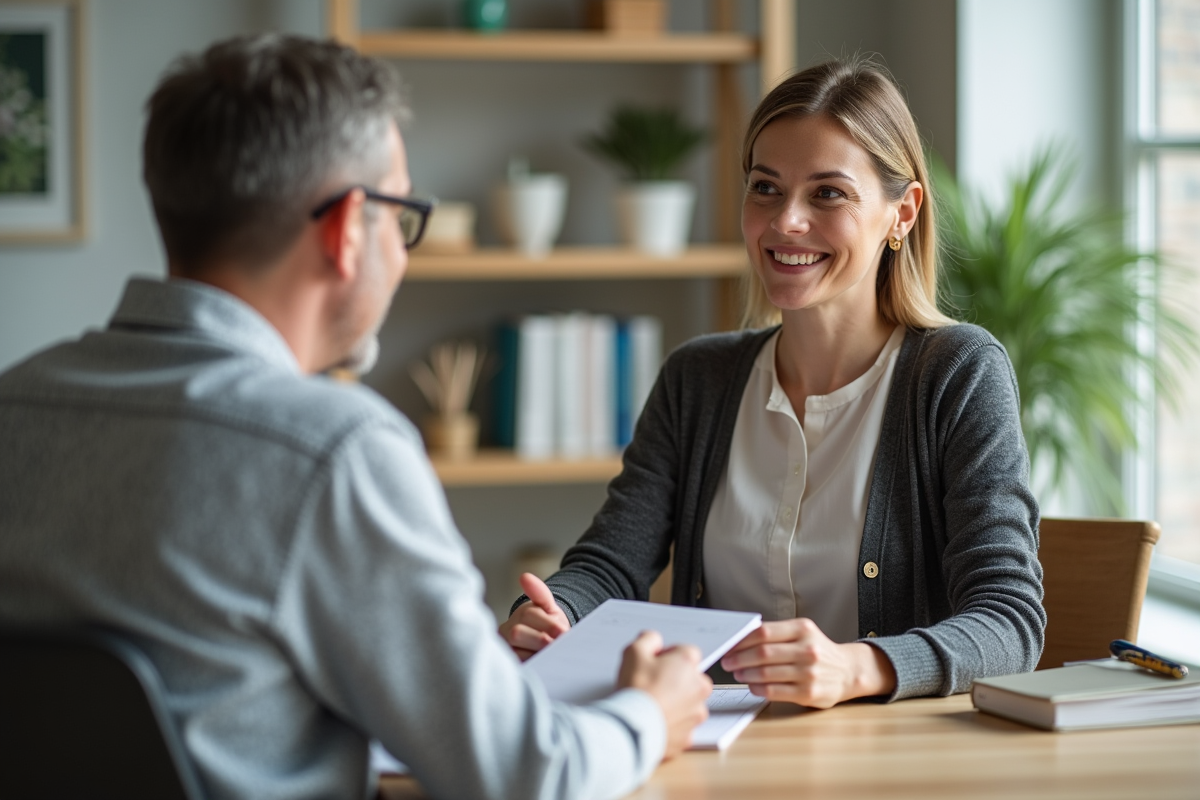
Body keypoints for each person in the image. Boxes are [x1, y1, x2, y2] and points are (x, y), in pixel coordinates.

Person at [0, 34, 712, 800]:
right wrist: (650, 710)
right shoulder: (332, 452)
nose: (402, 254)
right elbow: (529, 777)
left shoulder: (16, 403)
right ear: (346, 228)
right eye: (402, 215)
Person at [501, 57, 1046, 707]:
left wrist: (857, 667)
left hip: (890, 764)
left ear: (902, 213)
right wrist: (557, 611)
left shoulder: (956, 374)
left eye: (828, 193)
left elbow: (1010, 620)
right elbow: (610, 565)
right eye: (765, 187)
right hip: (707, 746)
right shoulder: (697, 378)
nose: (786, 221)